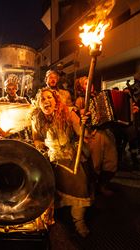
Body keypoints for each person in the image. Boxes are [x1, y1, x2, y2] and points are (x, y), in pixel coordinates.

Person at [31, 88, 93, 237]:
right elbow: (37, 138)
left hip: (69, 156)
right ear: (39, 104)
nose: (46, 101)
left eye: (49, 98)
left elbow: (82, 133)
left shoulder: (68, 113)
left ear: (56, 100)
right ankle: (51, 217)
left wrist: (84, 123)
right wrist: (40, 145)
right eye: (43, 99)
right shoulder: (36, 118)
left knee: (80, 186)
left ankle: (79, 221)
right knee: (42, 187)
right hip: (50, 158)